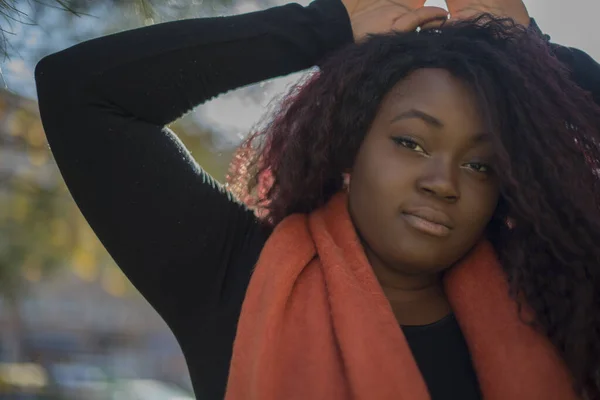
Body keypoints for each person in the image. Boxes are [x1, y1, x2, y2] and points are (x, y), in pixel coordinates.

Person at [34, 0, 600, 398]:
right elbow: (80, 92)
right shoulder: (235, 273)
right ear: (348, 152)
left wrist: (541, 62)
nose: (443, 180)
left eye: (481, 163)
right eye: (410, 142)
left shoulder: (554, 296)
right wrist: (325, 25)